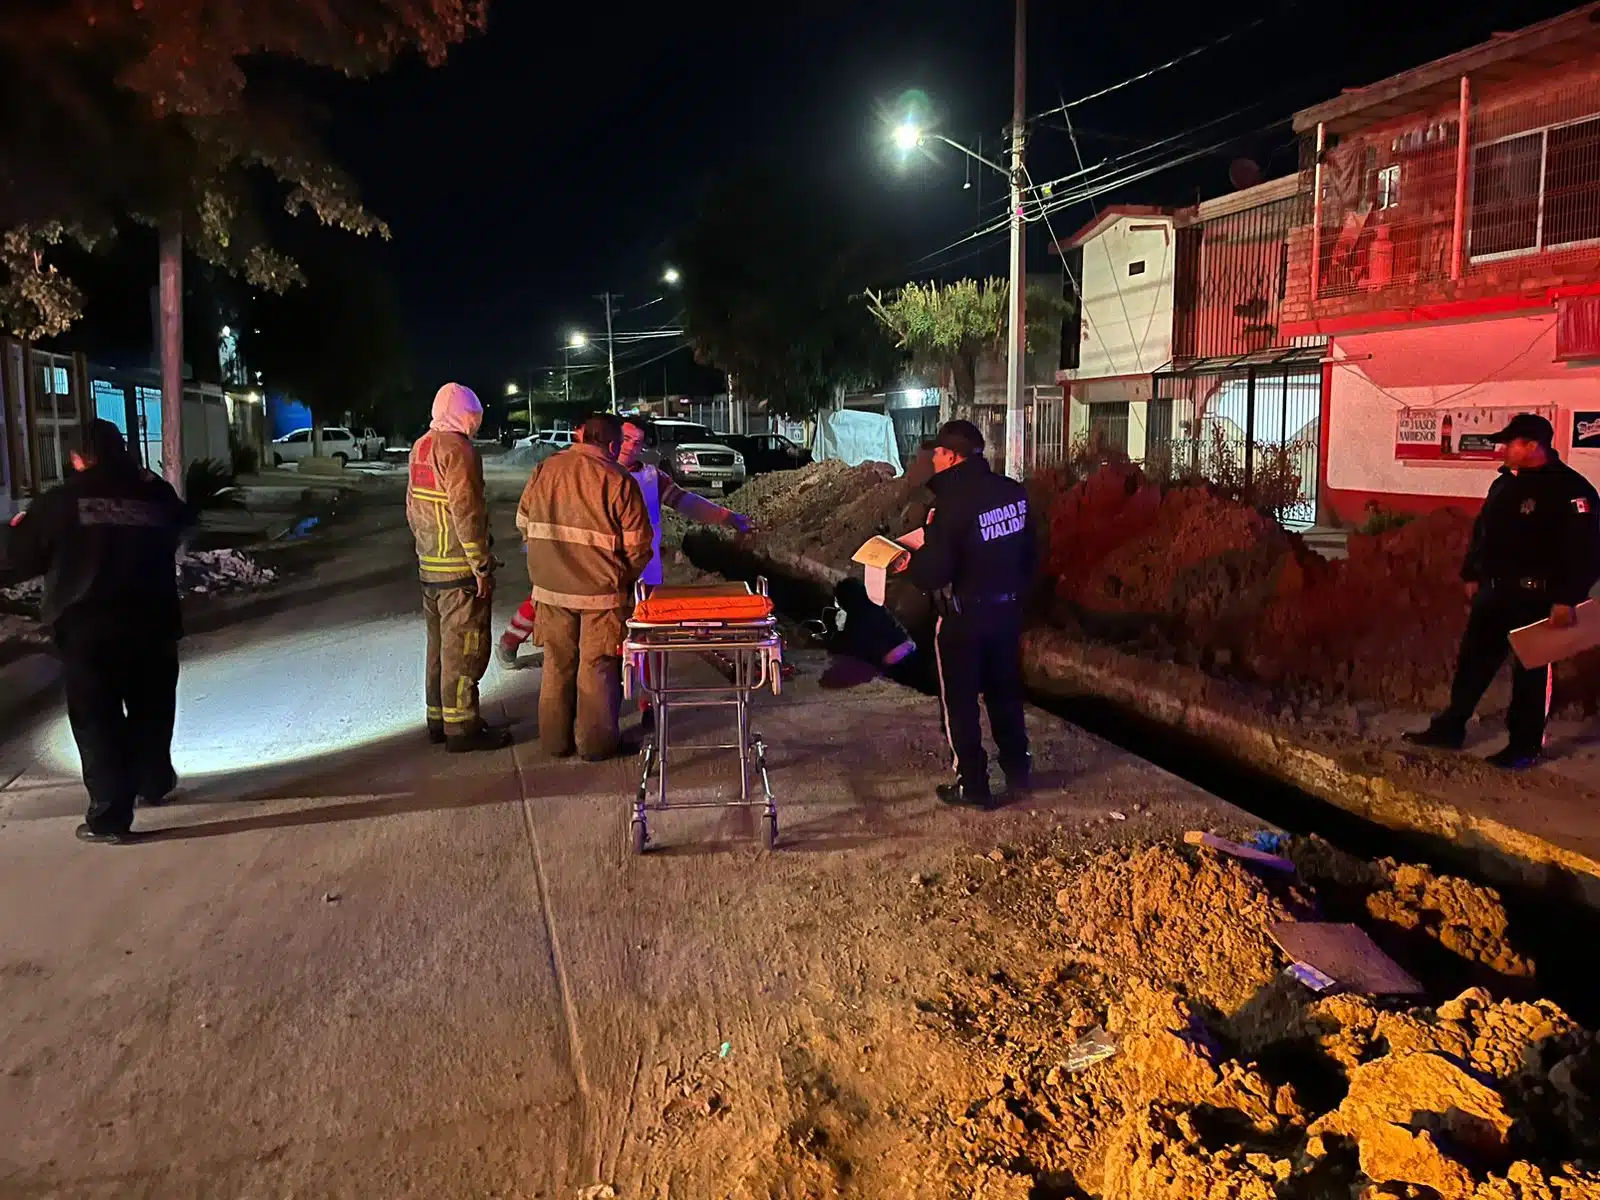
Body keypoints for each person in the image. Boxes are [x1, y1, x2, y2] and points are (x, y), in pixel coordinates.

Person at [0, 420, 191, 843]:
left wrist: (18, 531)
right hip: (153, 621)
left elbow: (19, 558)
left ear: (77, 457)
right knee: (152, 708)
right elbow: (184, 520)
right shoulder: (152, 493)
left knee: (97, 719)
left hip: (88, 629)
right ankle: (153, 781)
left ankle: (109, 817)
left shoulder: (60, 502)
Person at [1404, 412, 1600, 769]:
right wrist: (1472, 573)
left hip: (1539, 599)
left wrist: (1566, 598)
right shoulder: (1506, 483)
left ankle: (1524, 746)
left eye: (1509, 443)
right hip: (1495, 593)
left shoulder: (1572, 490)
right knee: (1473, 664)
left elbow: (1584, 550)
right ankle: (1451, 727)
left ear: (1532, 446)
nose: (1502, 450)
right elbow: (1484, 531)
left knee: (1532, 675)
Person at [494, 418, 753, 669]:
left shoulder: (652, 478)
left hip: (641, 568)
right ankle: (513, 642)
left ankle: (645, 699)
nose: (630, 446)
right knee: (549, 605)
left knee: (646, 632)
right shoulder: (585, 473)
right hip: (591, 565)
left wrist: (728, 517)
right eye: (626, 438)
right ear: (613, 440)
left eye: (637, 442)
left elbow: (687, 502)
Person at [901, 419, 1036, 807]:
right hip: (1006, 613)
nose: (934, 460)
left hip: (963, 618)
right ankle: (1017, 769)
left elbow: (937, 570)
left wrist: (908, 563)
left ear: (954, 456)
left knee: (959, 703)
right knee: (1004, 694)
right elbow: (1030, 553)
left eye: (939, 454)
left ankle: (973, 784)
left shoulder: (951, 503)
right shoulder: (1013, 493)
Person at [516, 412, 653, 760]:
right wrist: (622, 578)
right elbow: (639, 547)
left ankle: (555, 742)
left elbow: (523, 523)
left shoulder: (544, 470)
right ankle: (595, 745)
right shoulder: (618, 481)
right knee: (597, 667)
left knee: (557, 663)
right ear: (610, 443)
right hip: (601, 595)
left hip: (549, 591)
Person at [406, 382, 510, 753]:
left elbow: (412, 509)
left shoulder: (421, 447)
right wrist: (481, 566)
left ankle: (438, 720)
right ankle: (463, 728)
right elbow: (467, 513)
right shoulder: (459, 450)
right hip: (458, 573)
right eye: (474, 415)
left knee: (437, 649)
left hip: (429, 569)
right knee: (464, 649)